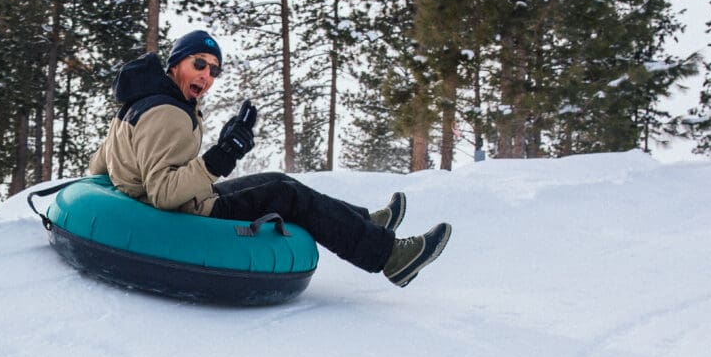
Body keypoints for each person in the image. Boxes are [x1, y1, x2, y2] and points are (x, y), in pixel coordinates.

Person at [87, 30, 451, 287]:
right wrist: (222, 155)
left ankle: (367, 221)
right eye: (199, 63)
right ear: (175, 64)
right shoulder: (169, 114)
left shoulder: (139, 104)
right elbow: (164, 194)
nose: (207, 76)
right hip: (189, 213)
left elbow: (101, 162)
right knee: (288, 196)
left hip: (190, 199)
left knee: (279, 179)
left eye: (214, 70)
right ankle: (390, 258)